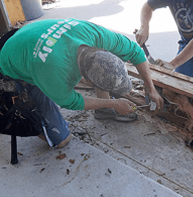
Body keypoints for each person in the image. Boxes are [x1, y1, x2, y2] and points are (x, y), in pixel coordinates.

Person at [0, 18, 163, 148]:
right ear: (87, 80)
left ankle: (104, 110)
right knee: (62, 140)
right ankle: (25, 109)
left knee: (101, 70)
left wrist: (151, 88)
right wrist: (113, 104)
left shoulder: (97, 36)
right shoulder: (55, 74)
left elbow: (135, 51)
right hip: (10, 61)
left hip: (27, 36)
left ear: (104, 51)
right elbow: (71, 102)